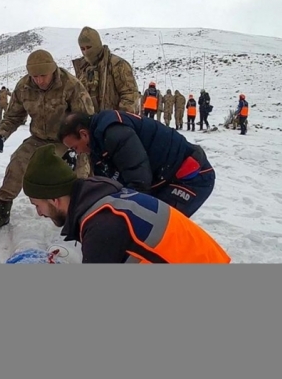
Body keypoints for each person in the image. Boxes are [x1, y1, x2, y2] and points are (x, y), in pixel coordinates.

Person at [22, 144, 231, 264]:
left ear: (54, 200)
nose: (39, 213)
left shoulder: (101, 227)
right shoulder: (104, 196)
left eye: (36, 204)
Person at [0, 49, 95, 237]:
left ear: (53, 70)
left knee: (80, 175)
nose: (39, 80)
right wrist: (0, 136)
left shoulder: (71, 85)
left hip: (66, 139)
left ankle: (80, 217)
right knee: (17, 164)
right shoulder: (24, 87)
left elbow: (86, 119)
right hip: (39, 138)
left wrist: (75, 149)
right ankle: (3, 213)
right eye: (35, 76)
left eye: (43, 76)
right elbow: (13, 115)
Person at [58, 109, 216, 218]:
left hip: (191, 177)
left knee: (158, 225)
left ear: (83, 134)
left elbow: (139, 181)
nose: (77, 153)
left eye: (75, 147)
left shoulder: (114, 133)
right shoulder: (97, 146)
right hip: (163, 179)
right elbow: (107, 187)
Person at [71, 26, 139, 113]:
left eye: (89, 47)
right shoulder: (81, 68)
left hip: (113, 122)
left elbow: (130, 96)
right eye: (82, 49)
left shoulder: (117, 65)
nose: (86, 52)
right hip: (89, 122)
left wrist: (119, 119)